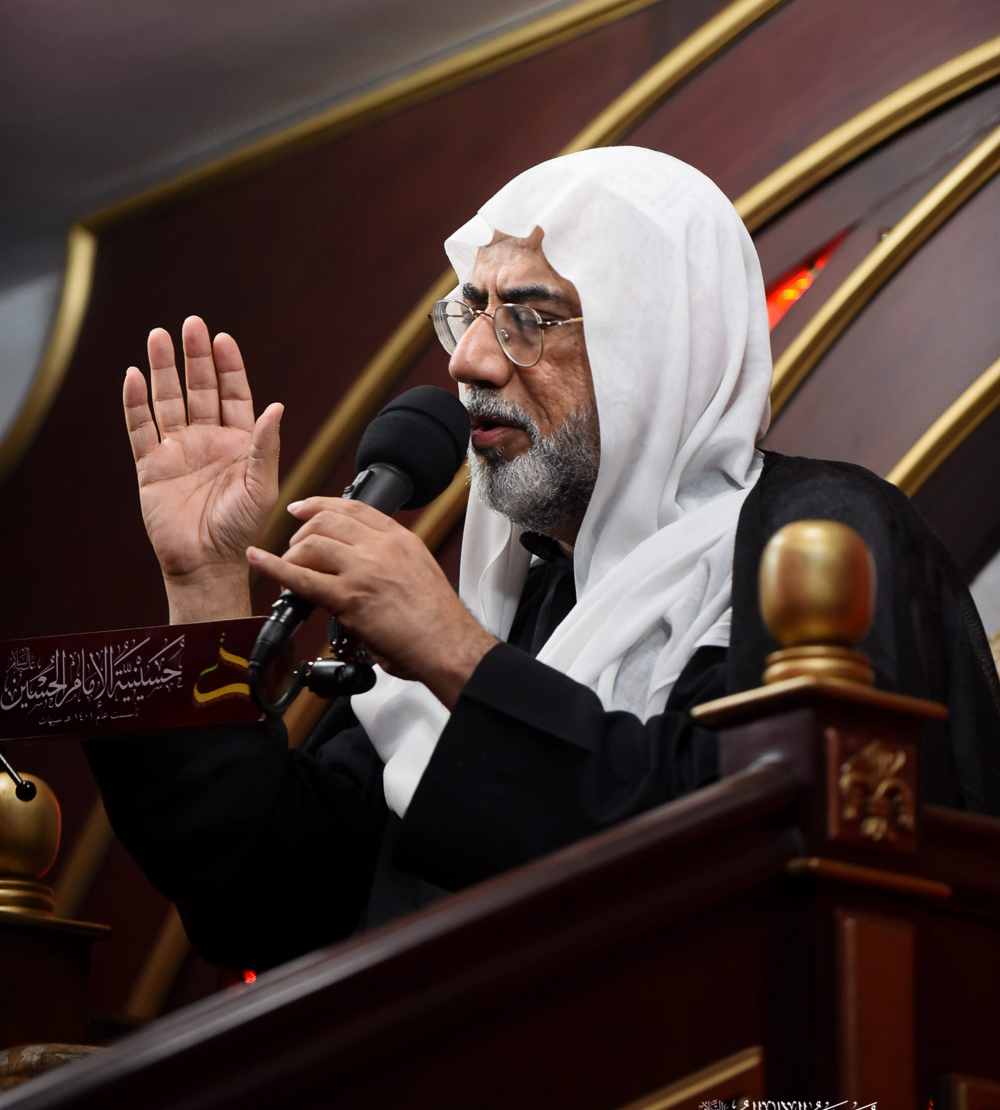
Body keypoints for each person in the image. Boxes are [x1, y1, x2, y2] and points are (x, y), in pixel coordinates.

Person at [87, 147, 1000, 971]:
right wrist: (205, 586)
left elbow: (772, 850)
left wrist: (457, 657)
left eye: (530, 316)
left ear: (656, 343)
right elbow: (266, 907)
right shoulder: (513, 600)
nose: (469, 362)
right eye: (470, 313)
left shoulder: (817, 539)